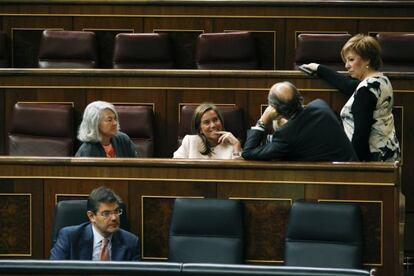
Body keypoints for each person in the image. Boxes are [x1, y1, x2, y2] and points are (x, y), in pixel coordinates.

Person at [300, 34, 400, 161]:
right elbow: (348, 85)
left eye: (351, 60)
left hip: (371, 160)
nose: (346, 65)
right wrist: (319, 69)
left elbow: (360, 135)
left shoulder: (365, 91)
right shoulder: (381, 80)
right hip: (388, 154)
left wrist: (353, 166)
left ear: (367, 60)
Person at [242, 81, 357, 161]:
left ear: (275, 110)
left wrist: (262, 121)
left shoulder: (286, 134)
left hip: (335, 181)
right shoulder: (320, 105)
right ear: (299, 98)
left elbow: (248, 152)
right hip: (353, 170)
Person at [50, 186, 140, 261]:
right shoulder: (69, 237)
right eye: (106, 213)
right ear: (91, 216)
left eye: (116, 211)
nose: (114, 218)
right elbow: (53, 271)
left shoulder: (131, 242)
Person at [173, 103, 242, 159]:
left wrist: (236, 144)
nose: (213, 125)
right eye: (206, 122)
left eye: (215, 120)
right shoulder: (190, 142)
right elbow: (175, 167)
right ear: (200, 129)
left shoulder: (232, 145)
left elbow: (239, 173)